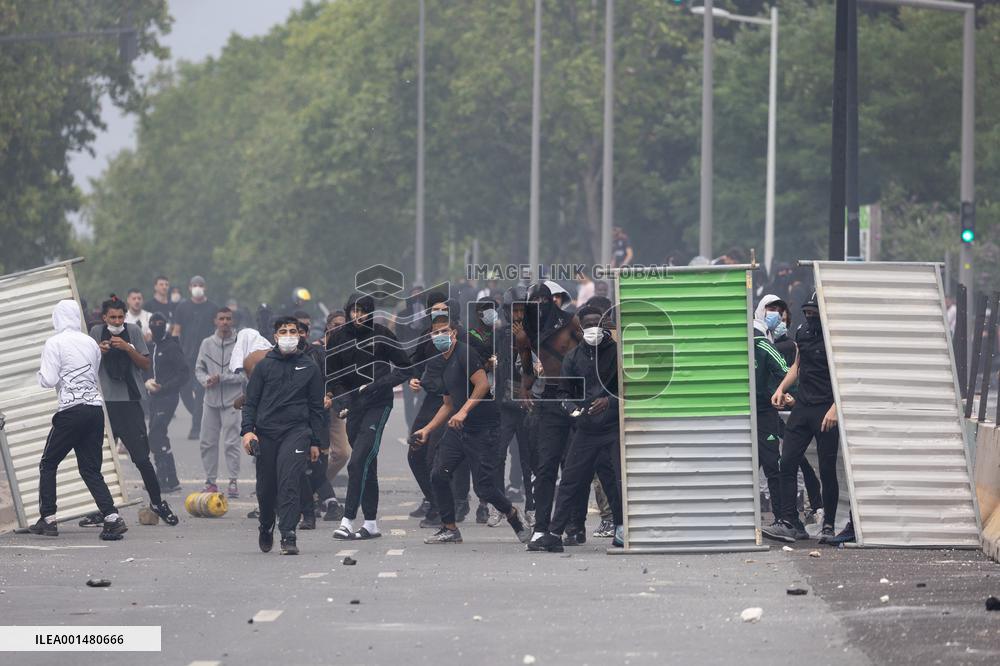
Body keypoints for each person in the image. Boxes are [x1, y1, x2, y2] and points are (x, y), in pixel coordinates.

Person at [412, 316, 531, 545]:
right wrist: (426, 429)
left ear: (454, 333)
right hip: (459, 429)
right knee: (438, 474)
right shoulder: (442, 362)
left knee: (484, 488)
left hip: (484, 428)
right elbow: (448, 404)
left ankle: (512, 514)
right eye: (435, 333)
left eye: (445, 331)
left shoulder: (465, 353)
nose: (440, 336)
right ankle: (450, 529)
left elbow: (483, 384)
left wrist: (464, 412)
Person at [31, 300, 128, 541]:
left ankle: (48, 519)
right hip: (94, 410)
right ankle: (112, 518)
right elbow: (92, 373)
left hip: (71, 412)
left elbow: (48, 380)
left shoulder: (54, 342)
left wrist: (39, 375)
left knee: (48, 463)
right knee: (90, 469)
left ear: (57, 318)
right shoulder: (90, 343)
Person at [528, 305, 623, 551]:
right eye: (588, 325)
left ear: (604, 325)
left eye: (597, 324)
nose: (593, 329)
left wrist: (609, 401)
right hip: (586, 430)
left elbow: (629, 391)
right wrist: (571, 407)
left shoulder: (617, 353)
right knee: (569, 481)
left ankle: (622, 528)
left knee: (615, 481)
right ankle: (554, 533)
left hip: (613, 429)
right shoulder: (573, 357)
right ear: (580, 329)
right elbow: (563, 392)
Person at [88, 296, 178, 526]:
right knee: (98, 461)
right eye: (112, 317)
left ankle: (157, 502)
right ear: (104, 317)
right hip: (104, 404)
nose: (117, 321)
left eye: (120, 317)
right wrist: (100, 351)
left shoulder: (133, 331)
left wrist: (127, 348)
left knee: (141, 458)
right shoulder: (96, 332)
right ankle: (103, 508)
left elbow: (145, 364)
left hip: (130, 402)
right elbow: (88, 365)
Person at [327, 293, 411, 540]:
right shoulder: (338, 338)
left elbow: (406, 367)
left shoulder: (382, 335)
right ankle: (371, 523)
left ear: (370, 312)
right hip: (353, 407)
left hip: (378, 404)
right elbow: (332, 376)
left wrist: (376, 385)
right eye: (354, 310)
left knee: (357, 462)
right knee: (366, 464)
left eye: (363, 310)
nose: (358, 315)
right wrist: (342, 401)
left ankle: (347, 520)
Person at [241, 316, 325, 555]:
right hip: (266, 433)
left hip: (297, 432)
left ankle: (288, 534)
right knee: (266, 486)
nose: (288, 335)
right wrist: (247, 431)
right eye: (283, 331)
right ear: (275, 337)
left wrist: (316, 441)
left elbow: (316, 408)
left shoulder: (309, 367)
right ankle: (266, 524)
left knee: (289, 481)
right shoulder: (264, 366)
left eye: (292, 331)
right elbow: (251, 402)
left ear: (300, 335)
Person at [764, 293, 844, 544]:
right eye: (807, 313)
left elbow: (844, 375)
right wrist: (781, 388)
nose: (809, 317)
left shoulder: (836, 337)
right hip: (803, 407)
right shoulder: (802, 333)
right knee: (787, 462)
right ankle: (791, 522)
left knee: (827, 469)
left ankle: (828, 525)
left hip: (826, 410)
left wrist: (836, 408)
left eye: (814, 314)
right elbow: (797, 366)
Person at [515, 282, 583, 543]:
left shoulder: (570, 322)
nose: (539, 306)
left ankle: (575, 526)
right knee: (545, 467)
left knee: (575, 466)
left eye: (543, 301)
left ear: (552, 301)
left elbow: (589, 354)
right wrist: (525, 389)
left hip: (576, 396)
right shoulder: (526, 332)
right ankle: (541, 527)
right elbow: (527, 367)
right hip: (550, 399)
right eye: (534, 302)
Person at [752, 295, 792, 532]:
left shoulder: (752, 338)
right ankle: (781, 518)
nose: (775, 313)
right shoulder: (763, 343)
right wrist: (786, 393)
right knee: (772, 467)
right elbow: (785, 371)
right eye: (771, 308)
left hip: (746, 413)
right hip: (764, 414)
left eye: (778, 309)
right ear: (760, 310)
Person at [195, 307, 243, 497]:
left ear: (233, 321)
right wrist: (206, 380)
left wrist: (222, 378)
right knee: (207, 442)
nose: (225, 322)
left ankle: (233, 481)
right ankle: (210, 481)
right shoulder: (207, 343)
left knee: (232, 442)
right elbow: (198, 369)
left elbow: (245, 375)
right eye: (221, 318)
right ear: (215, 321)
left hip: (233, 401)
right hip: (211, 400)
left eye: (228, 319)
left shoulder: (239, 344)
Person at [293, 317, 333, 530]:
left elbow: (330, 381)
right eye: (288, 332)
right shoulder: (273, 360)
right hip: (285, 422)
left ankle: (311, 511)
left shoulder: (315, 357)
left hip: (311, 419)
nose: (294, 336)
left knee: (311, 466)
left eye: (298, 332)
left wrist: (329, 395)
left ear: (307, 334)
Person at [172, 276, 219, 440]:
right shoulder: (182, 307)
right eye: (194, 285)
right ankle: (200, 416)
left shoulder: (213, 308)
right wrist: (173, 352)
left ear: (205, 287)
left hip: (206, 356)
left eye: (200, 285)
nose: (197, 288)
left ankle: (196, 427)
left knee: (200, 391)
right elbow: (176, 331)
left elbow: (218, 331)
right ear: (189, 287)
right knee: (184, 390)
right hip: (186, 355)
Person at [146, 312, 187, 493]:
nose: (156, 325)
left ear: (165, 325)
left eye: (160, 322)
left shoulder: (171, 346)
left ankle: (164, 478)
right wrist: (147, 381)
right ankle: (170, 478)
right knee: (157, 434)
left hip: (168, 396)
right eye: (153, 322)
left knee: (156, 433)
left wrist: (164, 387)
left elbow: (184, 374)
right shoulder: (151, 346)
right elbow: (146, 369)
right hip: (154, 397)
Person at [322, 310, 350, 521]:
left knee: (342, 453)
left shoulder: (350, 349)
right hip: (315, 409)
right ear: (328, 327)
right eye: (336, 324)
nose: (340, 328)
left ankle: (318, 485)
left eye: (343, 324)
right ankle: (320, 493)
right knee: (316, 454)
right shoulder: (316, 349)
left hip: (336, 408)